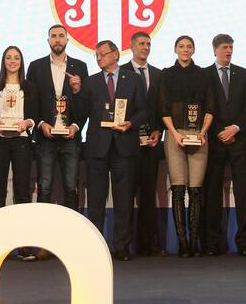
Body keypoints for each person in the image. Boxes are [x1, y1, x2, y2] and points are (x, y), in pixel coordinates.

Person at [79, 40, 147, 261]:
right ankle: (96, 246)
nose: (99, 58)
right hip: (97, 147)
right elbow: (81, 113)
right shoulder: (91, 82)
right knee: (96, 200)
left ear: (115, 54)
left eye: (102, 54)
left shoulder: (134, 79)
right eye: (96, 55)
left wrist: (130, 124)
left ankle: (122, 247)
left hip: (124, 145)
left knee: (124, 200)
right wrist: (77, 93)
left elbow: (143, 111)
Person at [159, 35, 215, 257]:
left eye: (189, 46)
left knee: (196, 190)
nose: (185, 49)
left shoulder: (203, 75)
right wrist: (174, 134)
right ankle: (182, 243)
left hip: (199, 136)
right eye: (181, 46)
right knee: (178, 189)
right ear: (175, 50)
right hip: (175, 135)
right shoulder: (167, 75)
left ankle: (194, 242)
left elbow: (210, 106)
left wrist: (202, 132)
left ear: (194, 50)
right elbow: (163, 108)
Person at [204, 34, 246, 256]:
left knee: (244, 191)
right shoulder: (204, 74)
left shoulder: (243, 73)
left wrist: (235, 127)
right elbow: (203, 106)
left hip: (239, 139)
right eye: (225, 47)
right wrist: (218, 131)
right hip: (215, 140)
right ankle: (213, 243)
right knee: (212, 192)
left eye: (231, 47)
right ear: (215, 50)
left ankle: (245, 243)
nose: (229, 51)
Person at [26, 24, 89, 210]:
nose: (57, 40)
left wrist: (76, 126)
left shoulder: (80, 67)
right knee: (44, 188)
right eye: (53, 36)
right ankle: (42, 236)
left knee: (71, 188)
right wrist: (40, 124)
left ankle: (70, 235)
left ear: (68, 40)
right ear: (48, 40)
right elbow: (30, 102)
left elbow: (86, 104)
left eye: (61, 36)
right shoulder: (36, 67)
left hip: (71, 138)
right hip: (46, 137)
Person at [0, 46, 38, 260]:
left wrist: (27, 122)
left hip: (22, 141)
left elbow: (36, 114)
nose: (12, 61)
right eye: (8, 57)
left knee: (22, 193)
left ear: (21, 61)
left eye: (16, 57)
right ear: (3, 61)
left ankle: (24, 246)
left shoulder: (30, 87)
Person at [122, 31, 164, 256]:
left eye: (148, 44)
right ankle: (125, 245)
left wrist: (159, 130)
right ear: (131, 46)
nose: (145, 47)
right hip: (127, 143)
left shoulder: (158, 74)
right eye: (141, 43)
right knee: (127, 195)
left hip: (152, 143)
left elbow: (160, 107)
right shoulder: (122, 72)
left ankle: (148, 244)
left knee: (148, 194)